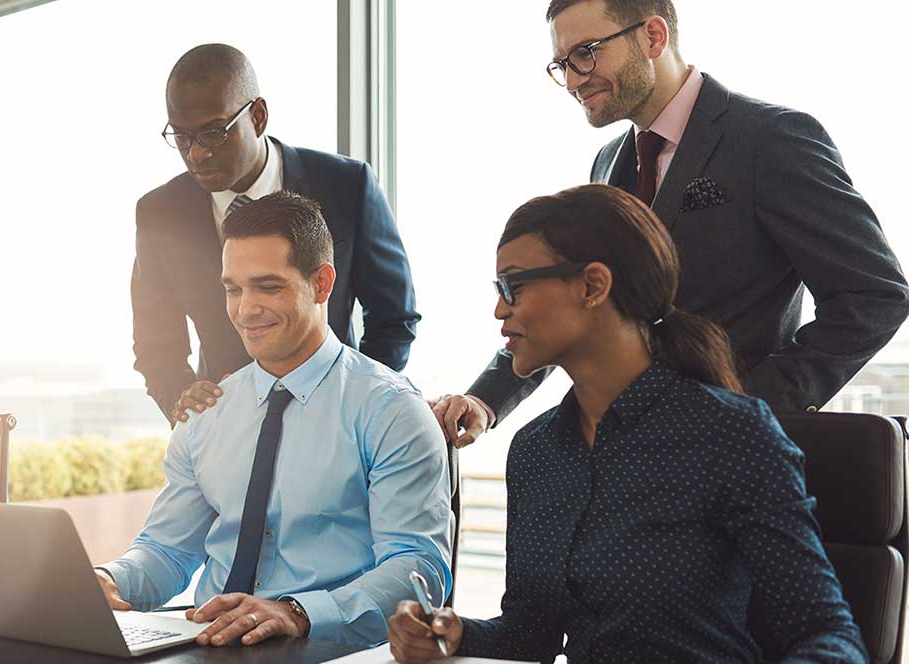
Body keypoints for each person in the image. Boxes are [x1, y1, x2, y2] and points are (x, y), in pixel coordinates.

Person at [386, 184, 865, 663]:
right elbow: (529, 636)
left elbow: (828, 637)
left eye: (514, 286)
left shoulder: (729, 433)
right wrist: (451, 634)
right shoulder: (536, 450)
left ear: (593, 286)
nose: (499, 310)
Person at [433, 0, 909, 447]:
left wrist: (749, 405)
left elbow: (875, 297)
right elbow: (578, 308)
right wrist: (485, 401)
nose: (574, 80)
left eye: (585, 54)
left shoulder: (771, 140)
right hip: (625, 451)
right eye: (562, 65)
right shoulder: (608, 165)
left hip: (731, 460)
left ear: (653, 36)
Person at [98, 192, 451, 647]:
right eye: (233, 289)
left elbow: (417, 568)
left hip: (331, 654)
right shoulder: (208, 412)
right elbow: (167, 551)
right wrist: (110, 578)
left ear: (322, 284)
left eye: (268, 287)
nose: (245, 310)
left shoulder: (391, 410)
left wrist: (299, 612)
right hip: (209, 648)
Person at [132, 43, 419, 424]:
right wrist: (183, 400)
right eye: (181, 137)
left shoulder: (347, 186)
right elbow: (155, 343)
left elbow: (393, 317)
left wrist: (356, 400)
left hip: (337, 419)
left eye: (213, 133)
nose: (196, 154)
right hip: (224, 424)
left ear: (258, 116)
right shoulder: (160, 213)